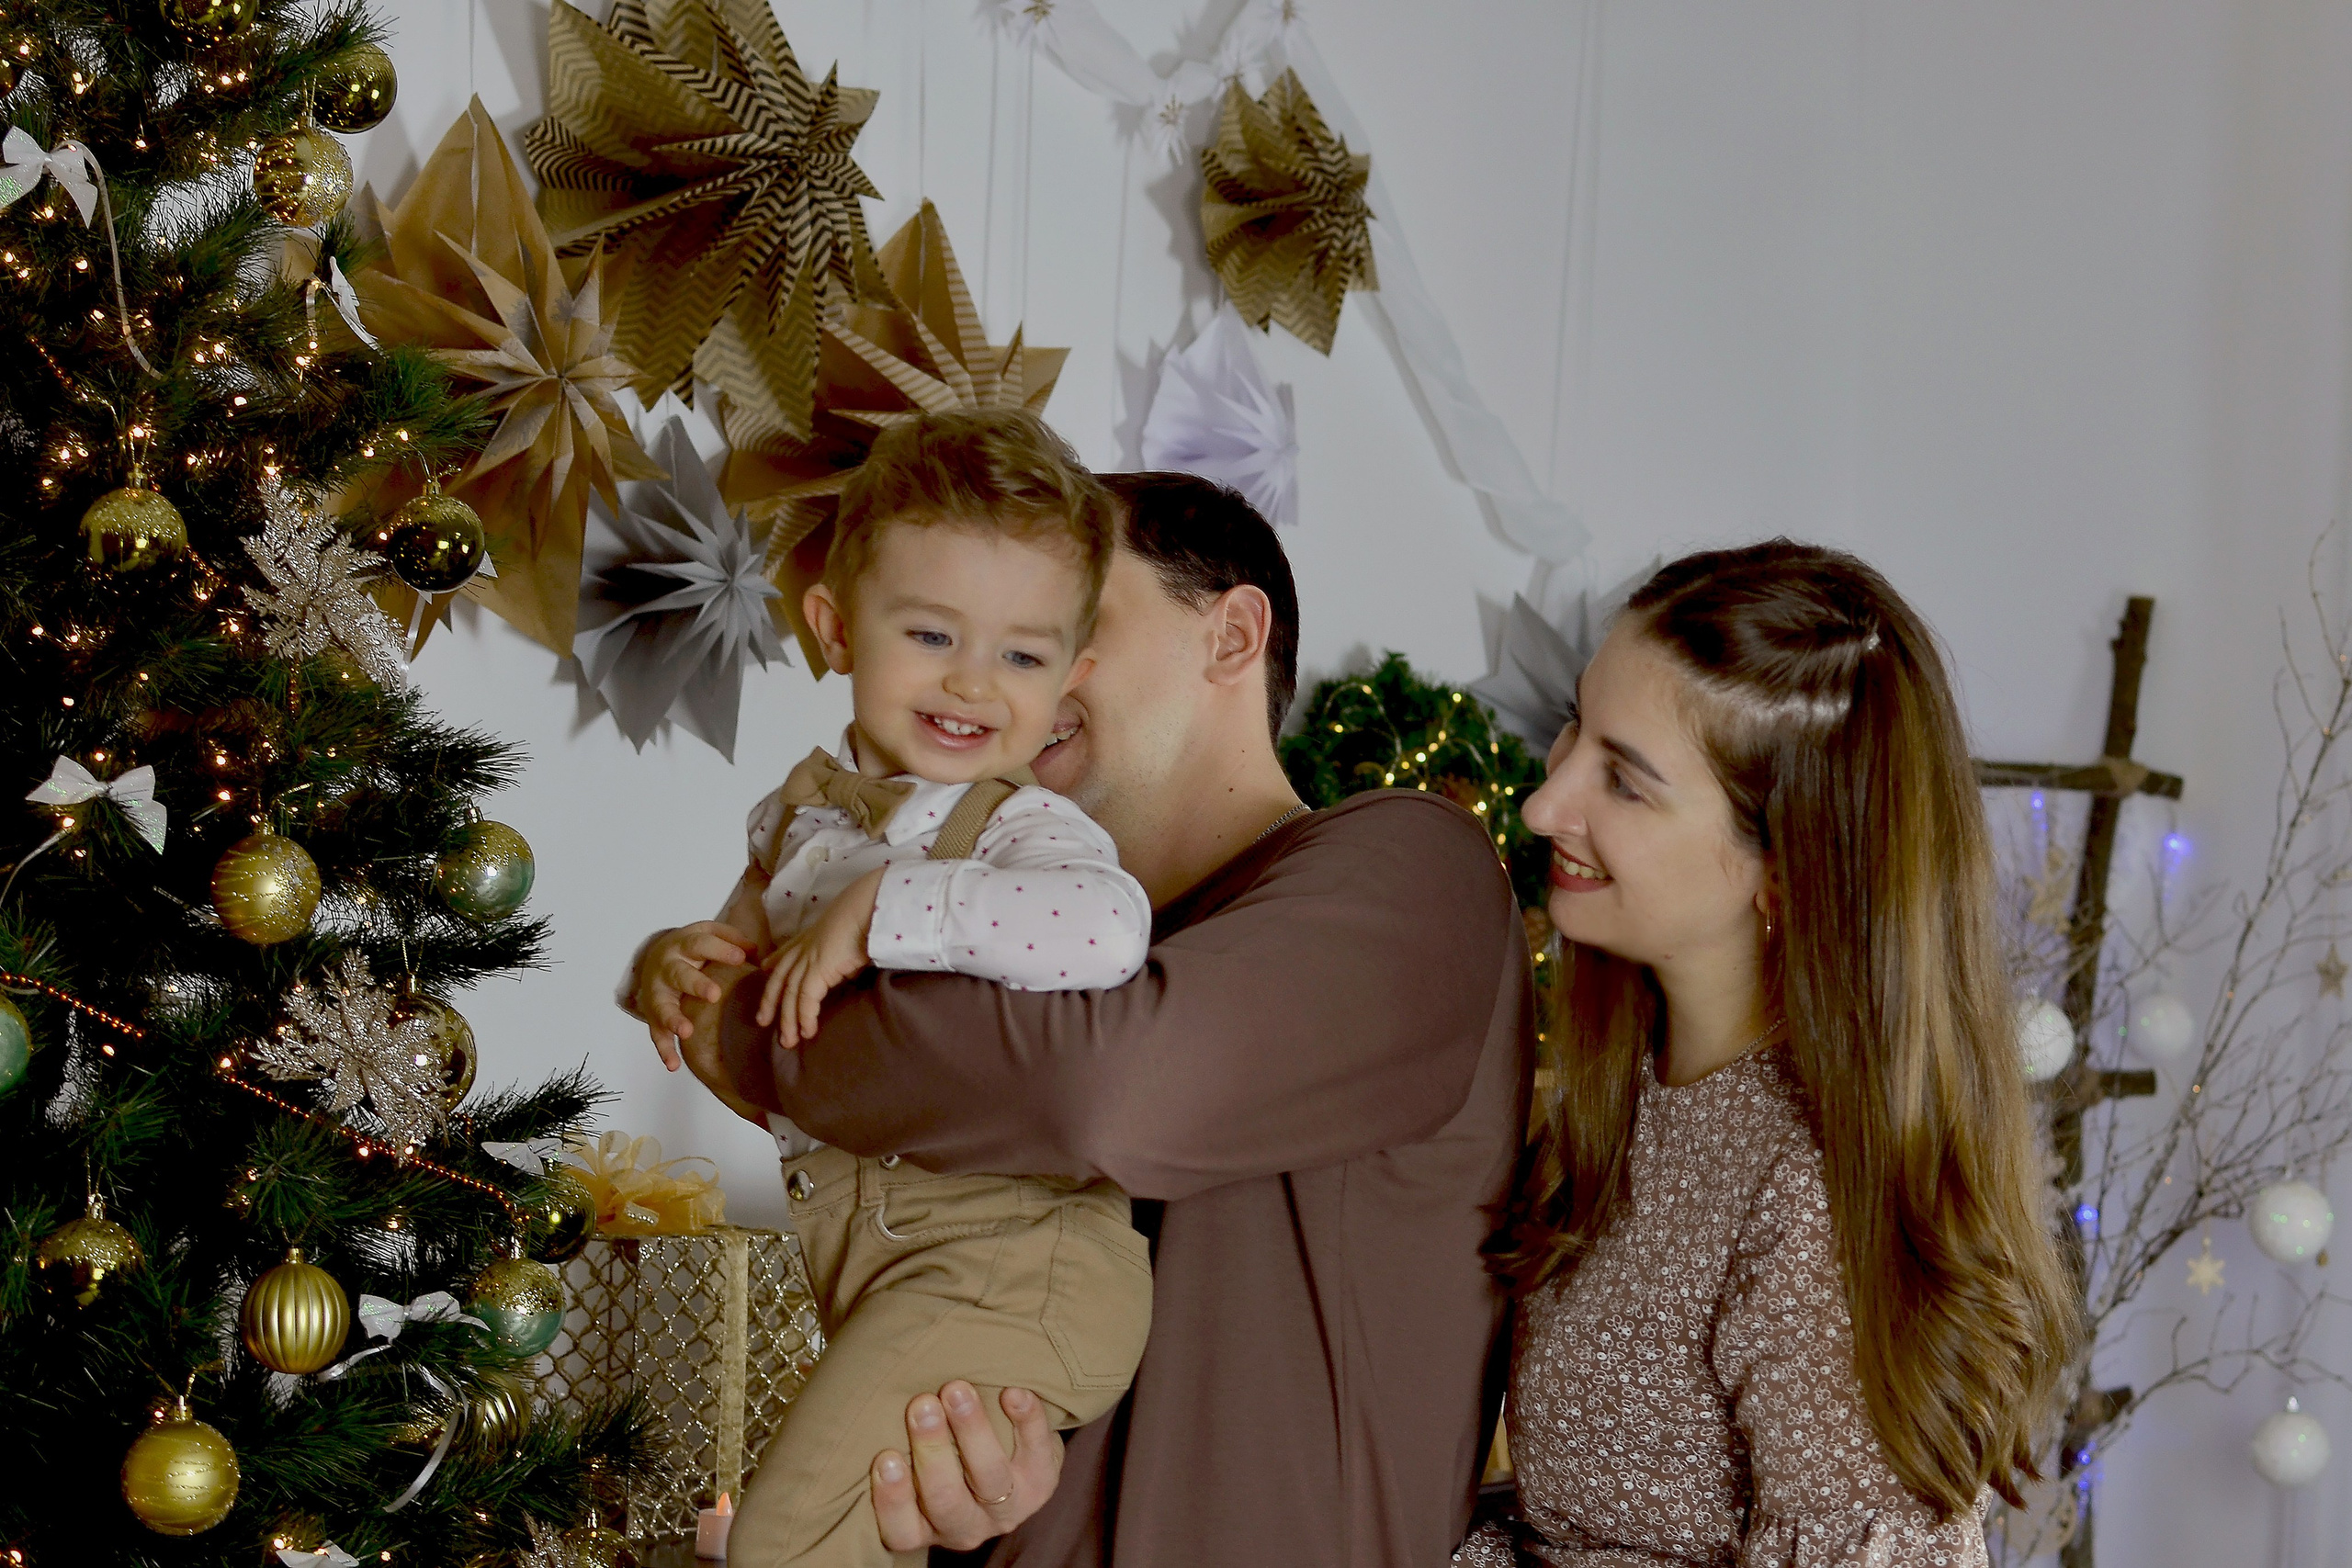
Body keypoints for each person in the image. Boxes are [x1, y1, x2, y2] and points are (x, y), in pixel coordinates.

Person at [677, 470, 1532, 1567]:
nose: (1009, 675)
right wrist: (982, 1473)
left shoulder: (1408, 869)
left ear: (1231, 634)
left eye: (1067, 625)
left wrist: (749, 1031)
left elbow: (1105, 1092)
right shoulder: (1004, 945)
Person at [1459, 541, 2078, 1566]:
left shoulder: (1808, 1199)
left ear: (1785, 871)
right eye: (1575, 726)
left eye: (1624, 780)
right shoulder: (1635, 1092)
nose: (1543, 803)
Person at [625, 410, 1157, 1568]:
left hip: (1014, 1262)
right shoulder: (797, 824)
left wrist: (889, 907)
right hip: (886, 1266)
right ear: (833, 630)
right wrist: (669, 966)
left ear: (1070, 680)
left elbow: (1109, 931)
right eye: (930, 633)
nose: (973, 681)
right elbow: (745, 1011)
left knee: (783, 1542)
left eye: (1021, 655)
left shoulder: (1022, 828)